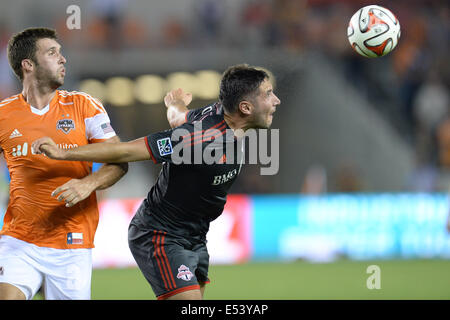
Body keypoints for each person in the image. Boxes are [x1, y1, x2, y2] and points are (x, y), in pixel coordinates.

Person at [32, 64, 281, 300]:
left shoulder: (217, 115)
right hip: (160, 234)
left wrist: (174, 103)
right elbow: (127, 152)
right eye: (269, 94)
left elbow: (179, 118)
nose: (276, 100)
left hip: (195, 236)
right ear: (246, 108)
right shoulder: (198, 139)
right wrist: (66, 153)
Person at [0, 27, 128, 300]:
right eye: (52, 52)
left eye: (61, 52)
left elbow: (119, 161)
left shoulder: (85, 106)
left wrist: (88, 184)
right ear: (28, 65)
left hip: (72, 243)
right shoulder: (4, 115)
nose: (63, 59)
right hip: (19, 240)